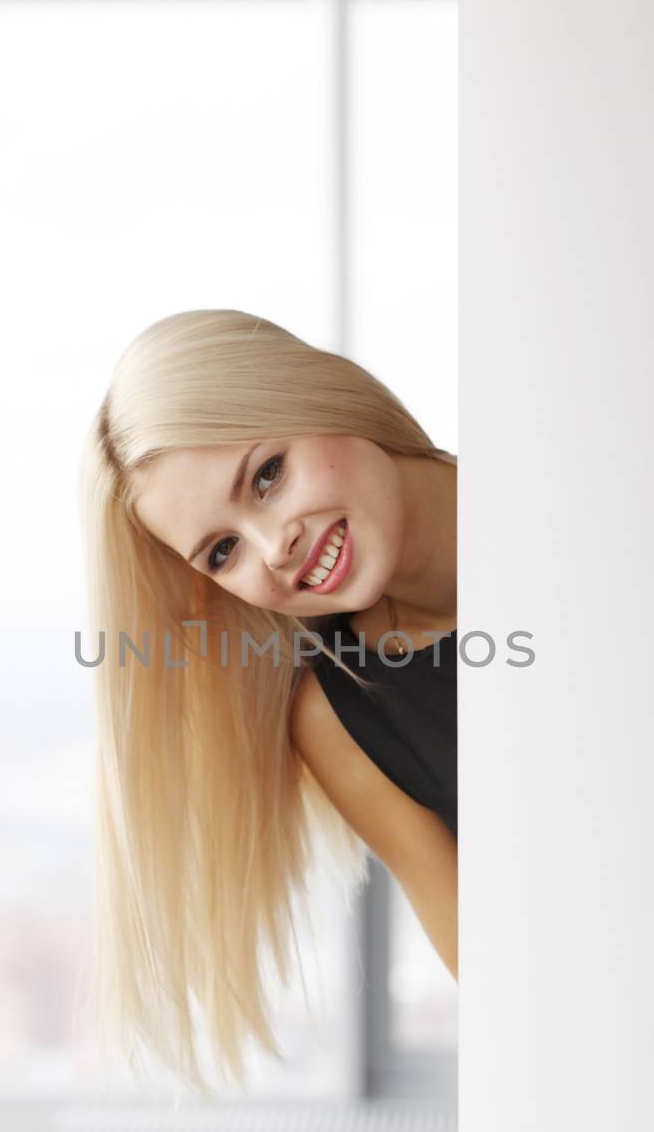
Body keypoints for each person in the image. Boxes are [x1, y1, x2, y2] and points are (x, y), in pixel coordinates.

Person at [79, 308, 457, 1090]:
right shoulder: (341, 720)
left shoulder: (584, 487)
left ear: (325, 394)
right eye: (222, 550)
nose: (272, 546)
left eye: (266, 475)